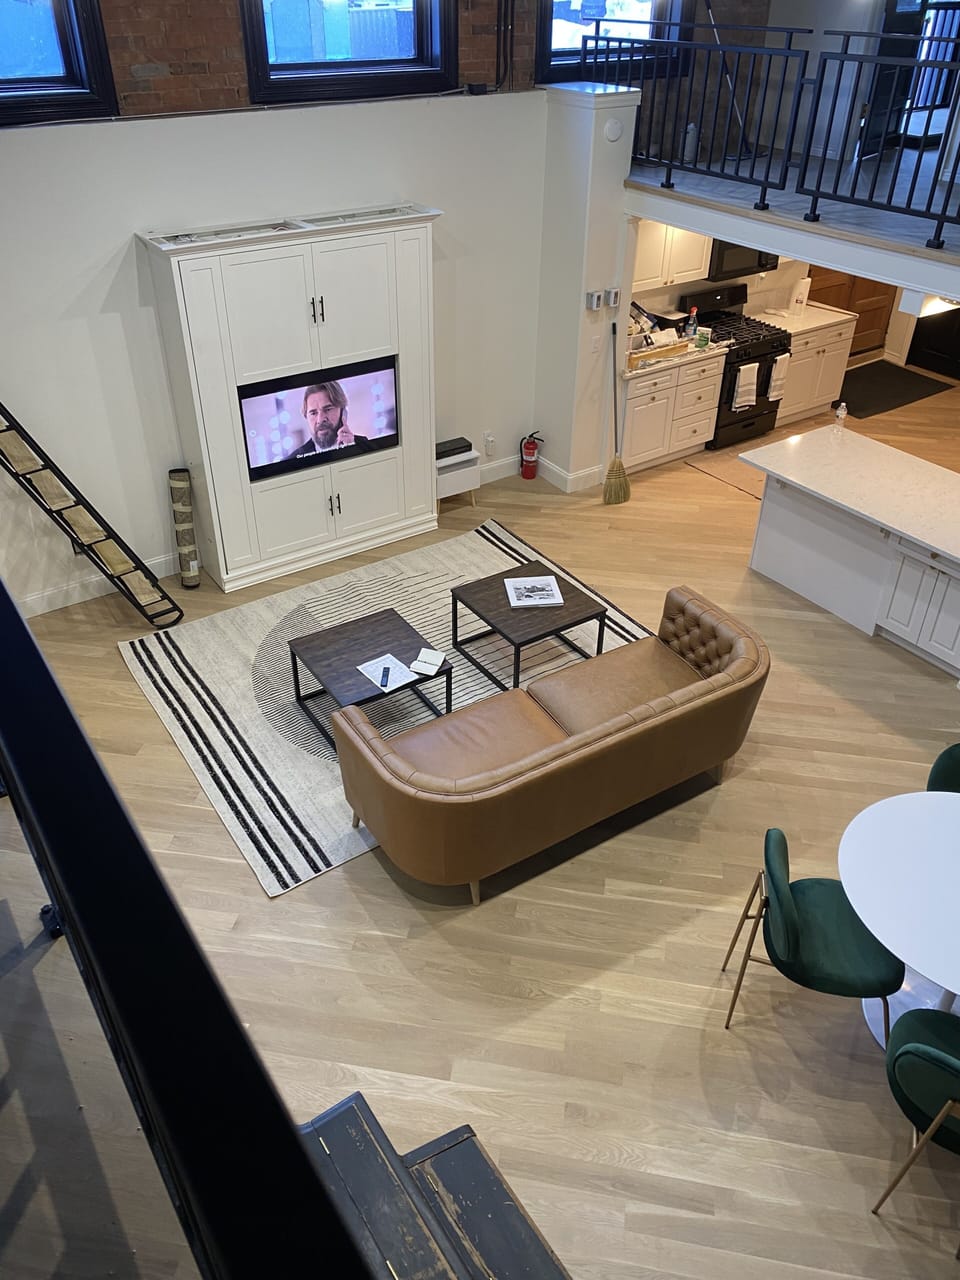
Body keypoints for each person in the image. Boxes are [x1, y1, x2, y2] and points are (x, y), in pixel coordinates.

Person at [284, 382, 371, 460]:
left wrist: (353, 452)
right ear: (306, 416)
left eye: (328, 409)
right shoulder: (291, 461)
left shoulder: (364, 446)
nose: (320, 419)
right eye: (313, 413)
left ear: (343, 412)